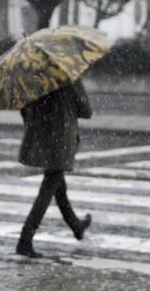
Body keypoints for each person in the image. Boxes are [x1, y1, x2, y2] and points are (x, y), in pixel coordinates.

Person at [16, 78, 93, 258]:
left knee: (58, 185)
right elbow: (86, 110)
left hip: (43, 138)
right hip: (62, 139)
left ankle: (76, 226)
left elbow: (24, 108)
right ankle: (25, 240)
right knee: (48, 188)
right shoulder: (68, 75)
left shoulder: (33, 77)